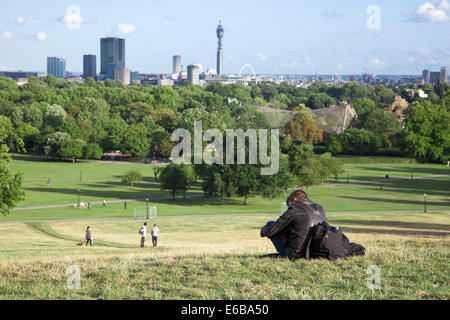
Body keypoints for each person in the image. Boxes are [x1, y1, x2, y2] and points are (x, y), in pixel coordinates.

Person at [260, 190, 326, 260]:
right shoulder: (320, 208)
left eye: (289, 204)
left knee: (270, 224)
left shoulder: (294, 209)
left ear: (294, 199)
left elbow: (271, 231)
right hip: (313, 253)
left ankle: (286, 254)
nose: (289, 207)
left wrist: (263, 231)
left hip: (295, 255)